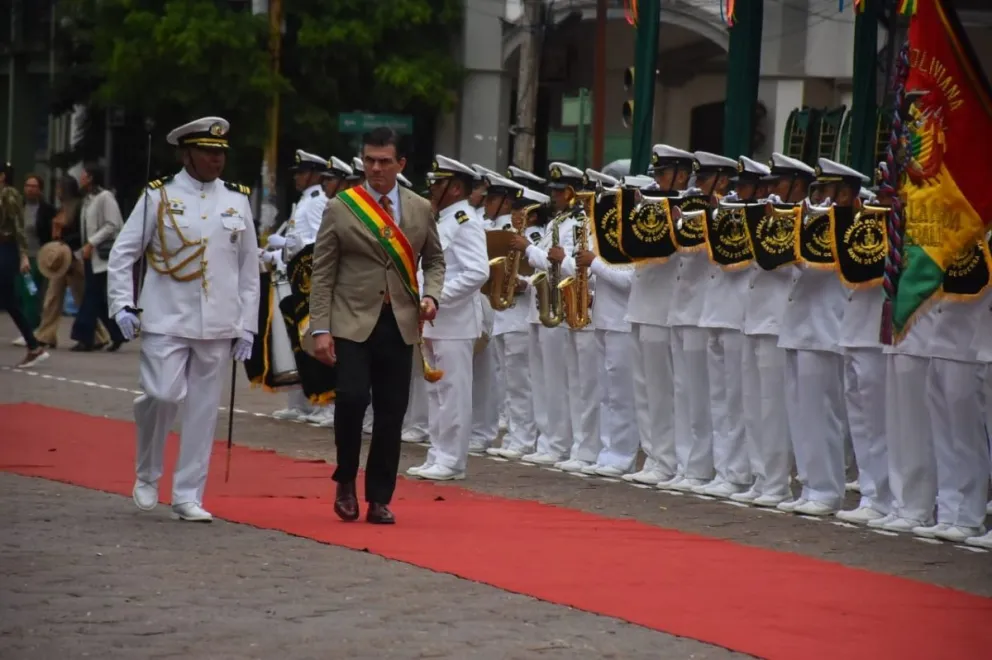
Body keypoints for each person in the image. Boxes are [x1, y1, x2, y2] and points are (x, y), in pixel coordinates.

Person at [107, 116, 260, 522]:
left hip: (218, 321)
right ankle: (147, 471)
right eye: (209, 152)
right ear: (187, 153)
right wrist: (121, 304)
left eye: (221, 153)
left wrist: (247, 325)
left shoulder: (237, 199)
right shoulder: (158, 196)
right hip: (166, 316)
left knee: (203, 411)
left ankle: (187, 494)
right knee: (160, 395)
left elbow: (248, 270)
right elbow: (124, 253)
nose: (217, 160)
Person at [309, 127, 445, 524]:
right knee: (351, 399)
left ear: (400, 164)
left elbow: (435, 260)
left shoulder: (419, 208)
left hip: (400, 323)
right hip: (351, 321)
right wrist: (320, 327)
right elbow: (323, 271)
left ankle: (380, 497)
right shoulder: (342, 207)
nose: (375, 168)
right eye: (369, 160)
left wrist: (432, 295)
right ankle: (346, 480)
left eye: (385, 161)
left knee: (392, 412)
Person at [33, 176, 112, 348]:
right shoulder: (60, 209)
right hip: (59, 260)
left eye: (59, 188)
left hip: (74, 258)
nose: (57, 191)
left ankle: (100, 336)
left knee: (82, 298)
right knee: (52, 298)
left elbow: (81, 233)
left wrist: (68, 246)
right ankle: (46, 335)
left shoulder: (79, 207)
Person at [71, 163, 127, 352]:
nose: (81, 178)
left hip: (104, 257)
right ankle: (118, 333)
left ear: (92, 177)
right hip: (90, 257)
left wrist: (91, 243)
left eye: (84, 174)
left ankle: (84, 337)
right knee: (99, 299)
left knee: (91, 295)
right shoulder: (88, 200)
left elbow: (112, 225)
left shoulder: (105, 197)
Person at [0, 162, 49, 367]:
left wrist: (23, 255)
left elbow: (18, 227)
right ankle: (33, 346)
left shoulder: (9, 195)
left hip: (7, 249)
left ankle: (34, 346)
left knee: (10, 299)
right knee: (10, 301)